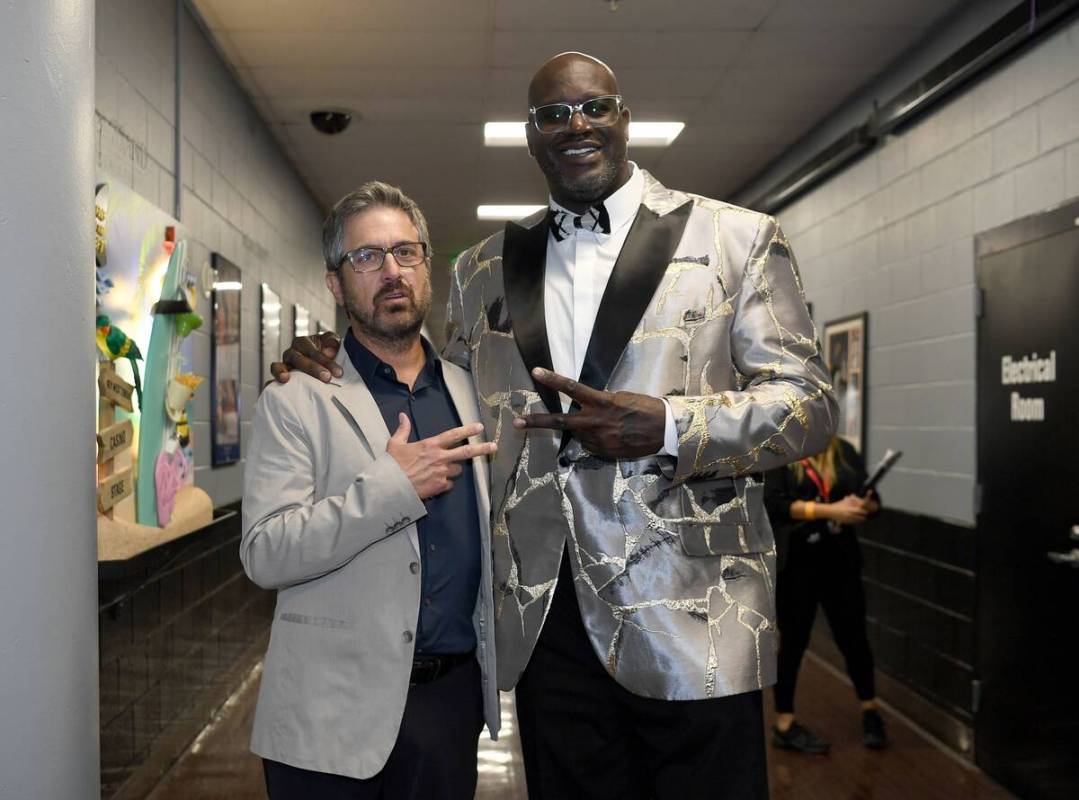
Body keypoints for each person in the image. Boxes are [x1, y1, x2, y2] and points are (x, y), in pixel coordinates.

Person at [273, 53, 838, 800]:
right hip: (545, 620)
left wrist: (670, 425)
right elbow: (439, 391)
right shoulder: (483, 267)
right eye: (552, 115)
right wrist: (329, 352)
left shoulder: (738, 238)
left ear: (623, 116)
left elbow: (809, 405)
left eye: (594, 107)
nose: (576, 125)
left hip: (697, 613)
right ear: (531, 137)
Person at [241, 181, 500, 799]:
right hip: (329, 712)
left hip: (448, 706)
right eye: (367, 257)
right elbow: (265, 552)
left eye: (406, 253)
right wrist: (390, 488)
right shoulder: (296, 397)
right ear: (336, 283)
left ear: (426, 269)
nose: (391, 271)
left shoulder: (473, 391)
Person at [763, 435, 889, 753]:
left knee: (855, 640)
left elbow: (873, 501)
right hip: (797, 566)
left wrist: (866, 506)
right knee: (793, 643)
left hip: (840, 562)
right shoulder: (780, 451)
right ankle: (785, 723)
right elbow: (775, 505)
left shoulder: (844, 452)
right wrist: (830, 510)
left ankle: (870, 710)